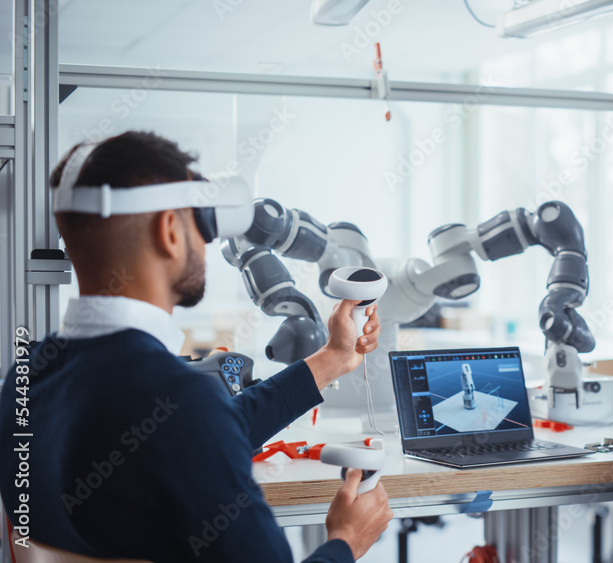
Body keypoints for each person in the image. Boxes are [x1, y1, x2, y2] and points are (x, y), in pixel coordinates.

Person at [0, 131, 393, 562]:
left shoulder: (26, 377)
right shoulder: (179, 401)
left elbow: (201, 434)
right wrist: (346, 541)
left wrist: (333, 359)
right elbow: (193, 429)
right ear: (169, 230)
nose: (206, 245)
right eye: (201, 225)